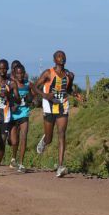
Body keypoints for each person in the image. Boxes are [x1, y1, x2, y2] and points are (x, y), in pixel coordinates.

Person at [32, 50, 76, 178]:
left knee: (61, 134)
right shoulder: (48, 73)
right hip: (49, 107)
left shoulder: (69, 75)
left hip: (63, 106)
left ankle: (60, 166)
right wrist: (45, 95)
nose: (61, 58)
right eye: (59, 56)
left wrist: (75, 93)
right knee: (50, 138)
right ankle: (44, 141)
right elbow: (34, 86)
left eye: (63, 56)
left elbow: (67, 89)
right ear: (54, 60)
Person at [9, 64, 34, 173]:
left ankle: (21, 164)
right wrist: (11, 105)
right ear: (14, 74)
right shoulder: (11, 85)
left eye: (21, 73)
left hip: (24, 114)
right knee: (14, 141)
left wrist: (32, 99)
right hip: (13, 116)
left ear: (24, 73)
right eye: (17, 73)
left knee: (24, 137)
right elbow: (6, 96)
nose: (20, 75)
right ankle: (13, 158)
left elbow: (34, 94)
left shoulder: (28, 84)